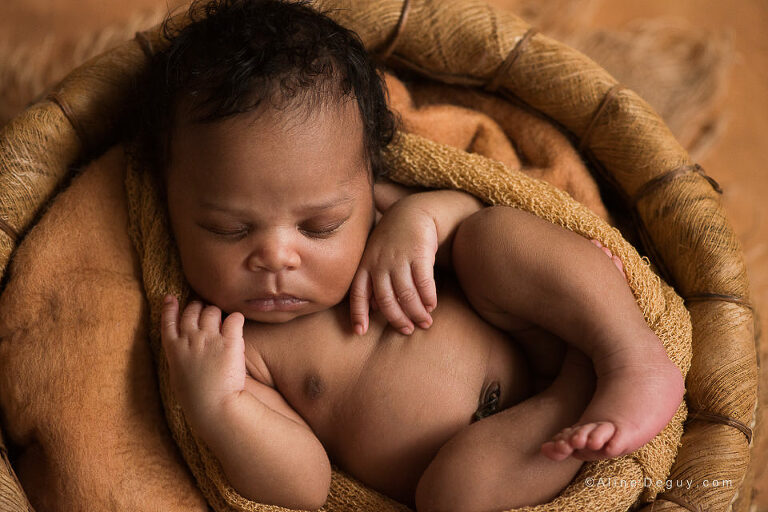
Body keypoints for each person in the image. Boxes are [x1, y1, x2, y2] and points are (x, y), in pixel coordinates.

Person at [132, 0, 685, 510]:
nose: (277, 255)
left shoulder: (380, 217)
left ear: (367, 181)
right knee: (453, 494)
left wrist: (424, 218)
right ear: (171, 207)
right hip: (504, 453)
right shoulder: (234, 347)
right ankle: (580, 385)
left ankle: (627, 351)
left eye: (320, 227)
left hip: (529, 330)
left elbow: (470, 206)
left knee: (490, 236)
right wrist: (218, 407)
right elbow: (303, 486)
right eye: (227, 229)